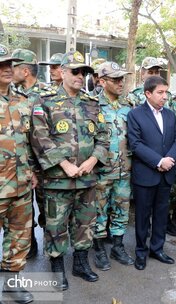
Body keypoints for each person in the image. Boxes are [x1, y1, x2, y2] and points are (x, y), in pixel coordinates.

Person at [30, 51, 110, 289]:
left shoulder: (92, 103)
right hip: (57, 179)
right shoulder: (45, 101)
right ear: (62, 72)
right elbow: (39, 138)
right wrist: (64, 164)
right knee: (56, 225)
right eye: (75, 71)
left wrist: (93, 160)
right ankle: (56, 269)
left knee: (85, 224)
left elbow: (104, 137)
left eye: (84, 72)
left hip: (86, 179)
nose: (80, 76)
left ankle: (80, 263)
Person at [127, 76, 176, 270]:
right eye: (160, 92)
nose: (164, 97)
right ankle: (141, 251)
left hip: (166, 174)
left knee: (161, 214)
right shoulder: (135, 115)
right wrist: (158, 161)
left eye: (166, 92)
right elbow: (135, 144)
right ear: (148, 93)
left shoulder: (170, 115)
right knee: (142, 216)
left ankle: (157, 248)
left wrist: (169, 161)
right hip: (146, 174)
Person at [0, 44, 37, 304]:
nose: (5, 69)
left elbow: (29, 141)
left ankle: (12, 283)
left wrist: (32, 170)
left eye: (8, 64)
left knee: (19, 238)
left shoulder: (23, 101)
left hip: (21, 184)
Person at [92, 61, 135, 270]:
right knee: (99, 210)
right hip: (101, 170)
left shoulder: (128, 106)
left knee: (121, 209)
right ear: (102, 81)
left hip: (124, 169)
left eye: (122, 79)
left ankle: (118, 246)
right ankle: (99, 248)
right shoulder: (92, 105)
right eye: (116, 79)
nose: (121, 83)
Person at [11, 49, 46, 259]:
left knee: (46, 208)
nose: (10, 71)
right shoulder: (12, 95)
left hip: (43, 165)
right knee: (24, 210)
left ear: (25, 71)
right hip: (21, 164)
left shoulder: (46, 95)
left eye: (14, 67)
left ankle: (53, 251)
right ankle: (30, 244)